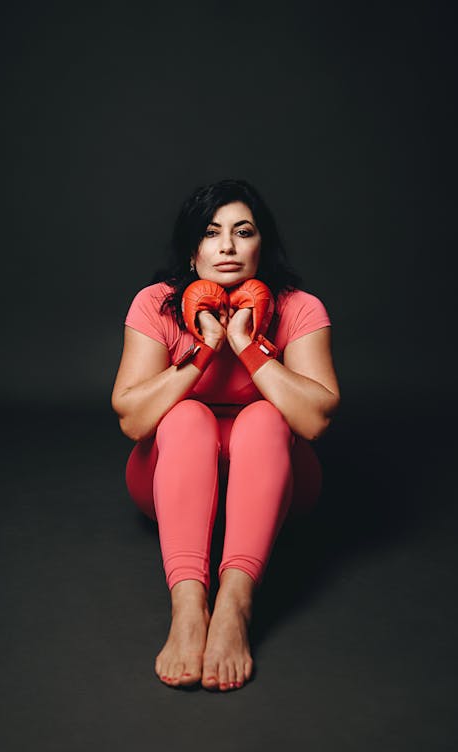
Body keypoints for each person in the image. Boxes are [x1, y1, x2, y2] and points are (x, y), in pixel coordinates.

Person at [111, 178, 340, 692]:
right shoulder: (156, 304)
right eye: (212, 233)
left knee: (264, 416)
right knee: (185, 415)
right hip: (166, 481)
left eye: (243, 231)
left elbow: (316, 420)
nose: (228, 247)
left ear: (265, 245)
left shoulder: (301, 307)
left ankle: (235, 604)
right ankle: (189, 607)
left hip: (279, 485)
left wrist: (249, 346)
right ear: (193, 250)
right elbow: (132, 420)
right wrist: (205, 349)